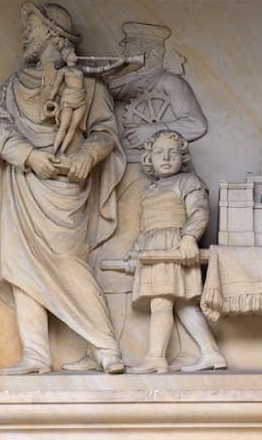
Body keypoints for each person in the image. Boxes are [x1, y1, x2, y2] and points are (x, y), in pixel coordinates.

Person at [0, 2, 126, 375]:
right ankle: (36, 354)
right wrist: (28, 155)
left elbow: (106, 131)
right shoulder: (14, 85)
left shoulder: (89, 84)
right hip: (23, 182)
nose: (26, 35)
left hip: (64, 185)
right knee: (20, 264)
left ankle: (106, 348)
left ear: (53, 35)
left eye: (33, 28)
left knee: (70, 263)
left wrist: (87, 155)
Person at [66, 22, 209, 372]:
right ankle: (102, 347)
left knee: (151, 277)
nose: (126, 57)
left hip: (150, 187)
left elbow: (196, 124)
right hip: (119, 179)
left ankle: (153, 352)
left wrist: (153, 131)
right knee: (107, 262)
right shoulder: (117, 87)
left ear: (153, 54)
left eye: (133, 51)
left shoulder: (170, 83)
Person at [125, 130, 226, 373]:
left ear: (183, 157)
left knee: (161, 301)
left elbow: (199, 212)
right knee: (183, 305)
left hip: (174, 247)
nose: (166, 157)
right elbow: (146, 229)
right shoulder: (149, 191)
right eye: (159, 152)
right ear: (149, 158)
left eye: (173, 152)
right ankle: (211, 353)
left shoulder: (188, 182)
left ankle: (156, 357)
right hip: (153, 248)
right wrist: (134, 254)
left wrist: (189, 238)